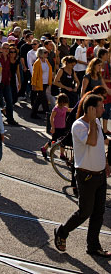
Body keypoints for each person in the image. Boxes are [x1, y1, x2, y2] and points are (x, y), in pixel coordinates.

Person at [54, 94, 110, 257]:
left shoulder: (97, 123)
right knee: (85, 211)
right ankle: (62, 231)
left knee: (99, 212)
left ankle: (93, 246)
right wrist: (92, 120)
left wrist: (105, 163)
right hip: (86, 176)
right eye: (100, 106)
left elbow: (99, 145)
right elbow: (91, 141)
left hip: (99, 175)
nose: (103, 109)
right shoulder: (79, 126)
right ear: (91, 109)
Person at [41, 93, 71, 159]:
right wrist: (53, 127)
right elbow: (51, 118)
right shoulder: (56, 109)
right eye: (64, 103)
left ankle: (62, 154)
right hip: (56, 127)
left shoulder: (64, 108)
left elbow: (70, 109)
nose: (64, 105)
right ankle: (44, 148)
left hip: (62, 127)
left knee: (63, 141)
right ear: (60, 102)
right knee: (53, 141)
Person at [31, 47, 52, 119]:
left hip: (46, 82)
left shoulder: (46, 61)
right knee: (43, 98)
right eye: (45, 52)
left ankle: (33, 113)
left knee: (39, 99)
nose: (47, 53)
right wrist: (33, 84)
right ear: (41, 53)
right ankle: (48, 113)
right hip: (40, 83)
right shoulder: (37, 63)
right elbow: (34, 74)